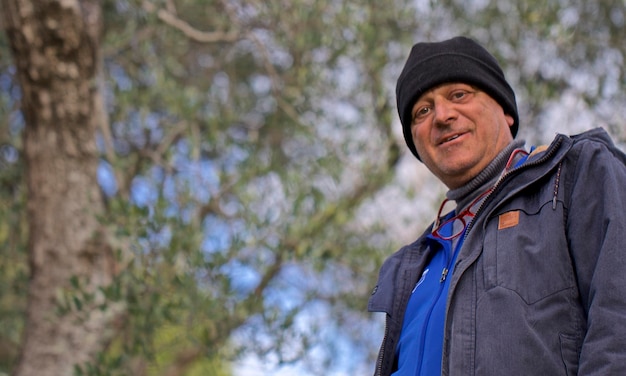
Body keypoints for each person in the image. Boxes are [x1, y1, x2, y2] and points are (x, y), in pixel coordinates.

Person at [368, 36, 626, 376]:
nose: (442, 116)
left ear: (505, 109)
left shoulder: (576, 174)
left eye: (459, 95)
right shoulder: (412, 263)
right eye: (422, 111)